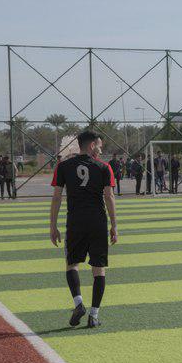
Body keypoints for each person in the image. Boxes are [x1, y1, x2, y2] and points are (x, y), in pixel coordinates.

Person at [49, 131, 117, 328]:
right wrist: (114, 225)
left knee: (72, 264)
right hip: (97, 221)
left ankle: (78, 303)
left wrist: (53, 226)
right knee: (99, 269)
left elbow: (56, 197)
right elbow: (109, 196)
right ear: (92, 146)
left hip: (75, 221)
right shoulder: (104, 167)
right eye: (99, 146)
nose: (101, 150)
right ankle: (94, 315)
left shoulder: (63, 166)